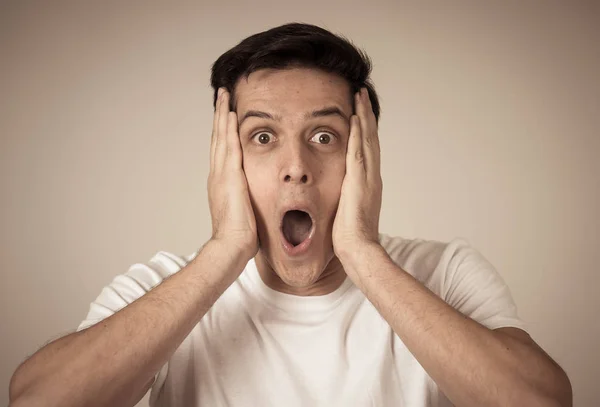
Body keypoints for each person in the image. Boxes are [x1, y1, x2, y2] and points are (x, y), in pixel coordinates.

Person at [9, 22, 572, 407]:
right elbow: (35, 400)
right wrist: (224, 252)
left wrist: (363, 254)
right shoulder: (163, 286)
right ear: (225, 159)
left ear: (364, 155)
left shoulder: (445, 272)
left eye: (324, 136)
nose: (295, 167)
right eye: (261, 137)